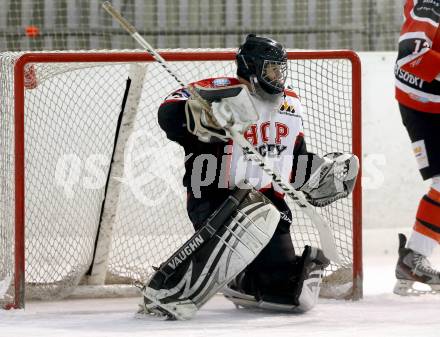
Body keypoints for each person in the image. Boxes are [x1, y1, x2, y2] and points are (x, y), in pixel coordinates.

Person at [139, 34, 358, 320]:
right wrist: (199, 114)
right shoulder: (222, 91)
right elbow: (168, 110)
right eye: (271, 69)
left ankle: (240, 279)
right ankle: (169, 288)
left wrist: (318, 175)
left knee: (289, 295)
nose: (278, 76)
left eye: (281, 69)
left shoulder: (290, 102)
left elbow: (294, 156)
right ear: (251, 67)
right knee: (253, 215)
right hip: (217, 199)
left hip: (271, 205)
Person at [394, 0, 440, 295]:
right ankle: (412, 260)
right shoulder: (430, 4)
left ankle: (410, 263)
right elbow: (410, 58)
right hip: (422, 107)